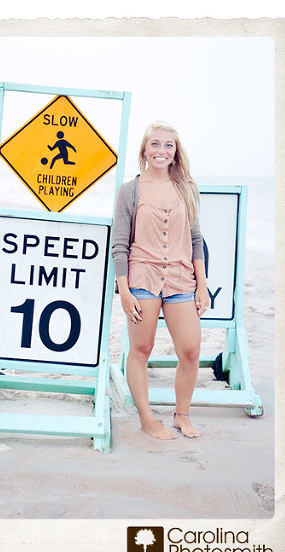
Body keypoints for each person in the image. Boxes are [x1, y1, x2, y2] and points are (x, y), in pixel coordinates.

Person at [111, 121, 209, 440]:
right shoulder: (130, 190)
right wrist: (124, 291)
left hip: (181, 279)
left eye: (168, 145)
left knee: (191, 351)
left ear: (175, 152)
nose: (161, 150)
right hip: (142, 276)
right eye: (155, 144)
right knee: (142, 348)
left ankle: (182, 416)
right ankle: (147, 419)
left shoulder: (186, 189)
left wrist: (202, 285)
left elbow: (196, 241)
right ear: (144, 149)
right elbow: (120, 244)